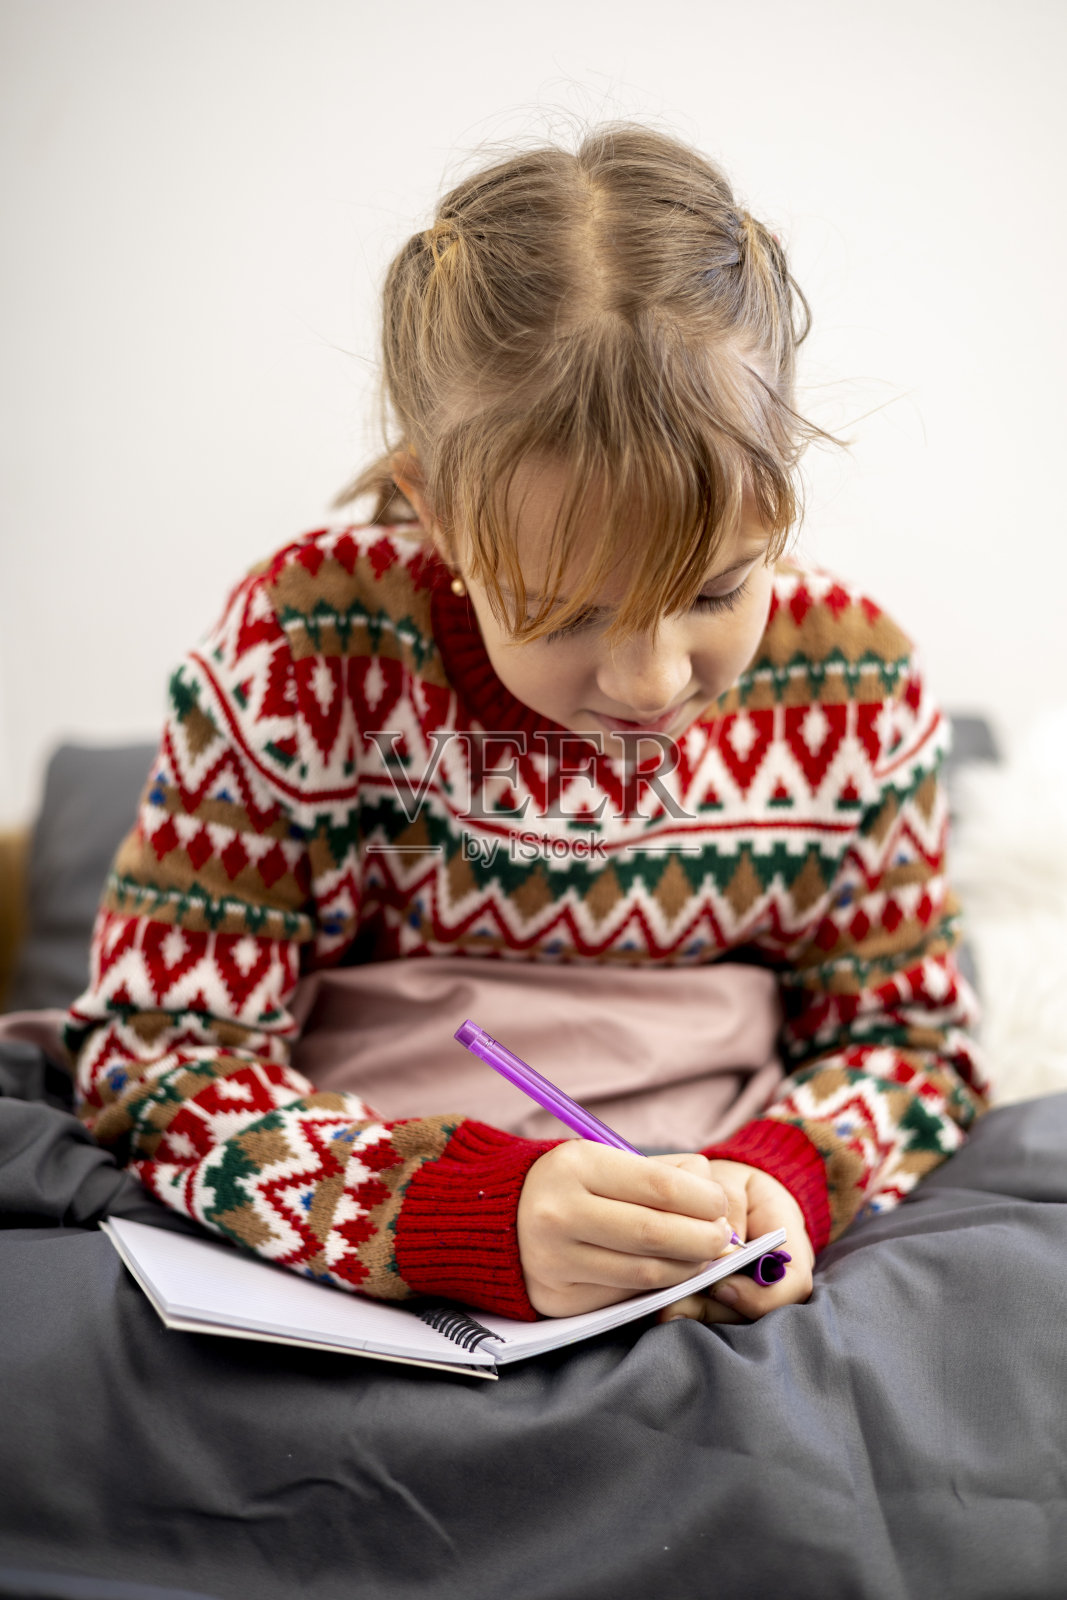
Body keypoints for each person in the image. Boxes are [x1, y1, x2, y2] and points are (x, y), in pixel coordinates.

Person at [66, 124, 988, 1328]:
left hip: (712, 1207)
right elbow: (157, 1049)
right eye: (561, 612)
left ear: (781, 493)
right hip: (387, 1178)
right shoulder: (304, 648)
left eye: (715, 591)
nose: (652, 682)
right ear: (435, 510)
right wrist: (455, 1215)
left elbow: (909, 1039)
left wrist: (786, 1175)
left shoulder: (855, 682)